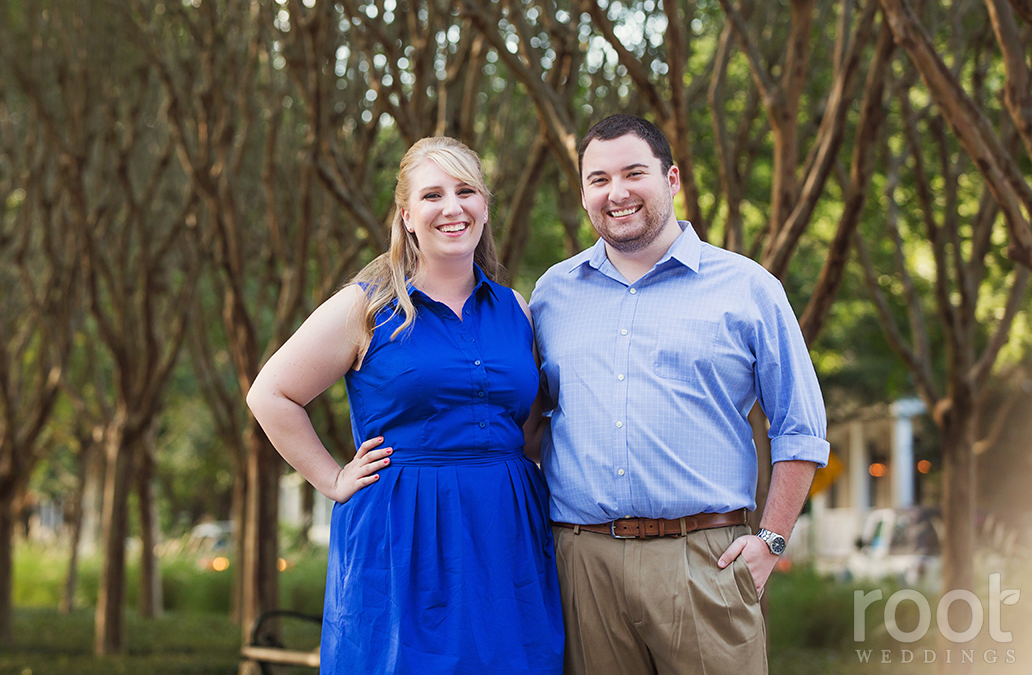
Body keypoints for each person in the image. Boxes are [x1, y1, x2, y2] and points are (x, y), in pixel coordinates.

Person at [246, 136, 564, 675]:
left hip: (506, 531)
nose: (452, 207)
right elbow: (270, 394)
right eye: (432, 194)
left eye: (466, 191)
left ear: (484, 206)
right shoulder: (367, 306)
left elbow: (528, 428)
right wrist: (332, 479)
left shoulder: (516, 309)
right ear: (407, 215)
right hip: (403, 531)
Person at [529, 114, 829, 675]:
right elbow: (530, 421)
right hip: (582, 562)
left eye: (633, 173)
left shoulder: (748, 288)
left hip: (705, 561)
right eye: (598, 179)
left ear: (671, 179)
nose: (616, 193)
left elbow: (802, 430)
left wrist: (773, 541)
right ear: (584, 193)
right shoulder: (552, 294)